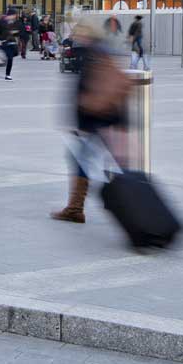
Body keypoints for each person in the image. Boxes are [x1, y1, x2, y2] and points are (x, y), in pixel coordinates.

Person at [52, 13, 129, 224]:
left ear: (87, 32)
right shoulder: (104, 50)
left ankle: (76, 208)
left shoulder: (90, 53)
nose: (75, 34)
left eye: (79, 30)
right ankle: (79, 207)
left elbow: (86, 90)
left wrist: (80, 125)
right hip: (107, 117)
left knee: (80, 160)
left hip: (93, 119)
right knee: (102, 161)